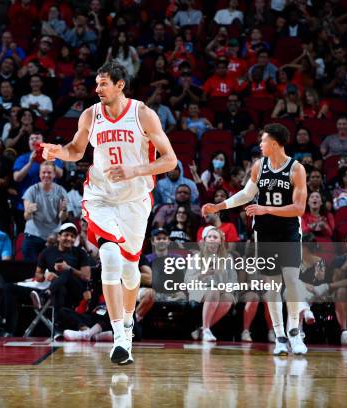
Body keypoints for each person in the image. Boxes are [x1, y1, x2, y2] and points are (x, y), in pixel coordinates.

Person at [41, 61, 177, 365]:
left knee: (130, 273)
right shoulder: (91, 114)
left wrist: (135, 169)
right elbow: (76, 151)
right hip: (100, 196)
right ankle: (119, 336)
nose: (97, 89)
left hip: (134, 201)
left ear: (119, 85)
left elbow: (170, 160)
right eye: (97, 83)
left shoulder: (142, 114)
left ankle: (127, 323)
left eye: (103, 83)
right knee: (110, 259)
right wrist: (57, 152)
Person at [202, 123, 309, 355]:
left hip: (288, 231)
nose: (260, 144)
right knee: (271, 286)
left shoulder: (296, 169)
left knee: (290, 281)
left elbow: (299, 208)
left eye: (263, 141)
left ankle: (294, 332)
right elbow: (247, 194)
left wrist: (266, 209)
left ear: (274, 143)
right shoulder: (259, 167)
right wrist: (218, 206)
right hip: (265, 233)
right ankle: (280, 336)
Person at [186, 227, 237, 342]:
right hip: (199, 290)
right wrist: (204, 274)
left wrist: (227, 287)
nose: (212, 239)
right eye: (209, 237)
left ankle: (202, 329)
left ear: (220, 241)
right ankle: (206, 330)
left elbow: (233, 280)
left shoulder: (227, 258)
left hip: (220, 291)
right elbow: (188, 281)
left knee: (228, 298)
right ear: (204, 240)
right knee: (213, 291)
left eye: (215, 237)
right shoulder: (196, 257)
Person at [21, 161, 68, 262]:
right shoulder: (32, 190)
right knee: (29, 267)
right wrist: (29, 211)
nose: (46, 175)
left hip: (53, 235)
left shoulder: (61, 191)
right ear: (39, 174)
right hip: (33, 234)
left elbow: (62, 217)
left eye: (49, 173)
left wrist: (64, 210)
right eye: (43, 172)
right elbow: (26, 217)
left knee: (54, 268)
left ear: (54, 174)